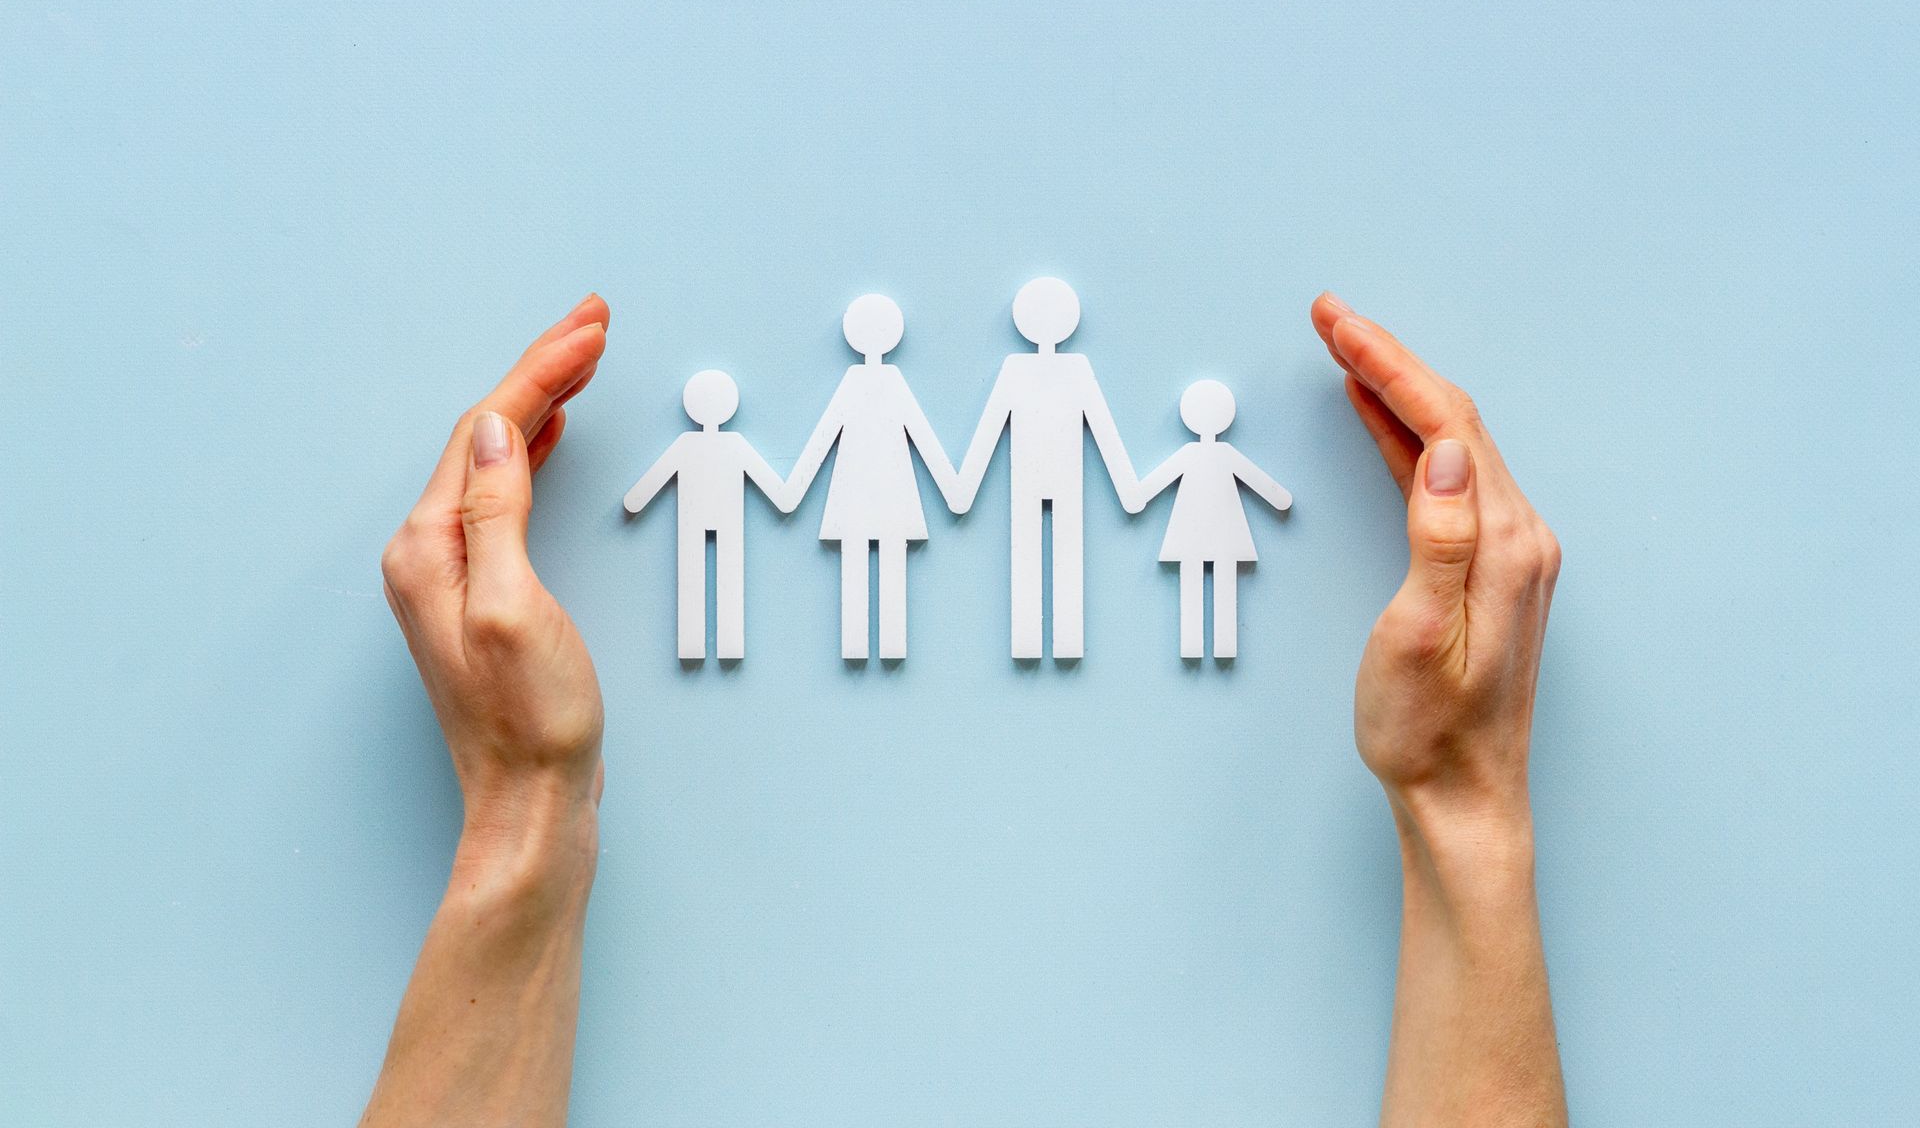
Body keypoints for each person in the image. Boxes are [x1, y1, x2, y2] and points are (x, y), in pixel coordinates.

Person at [363, 290, 1567, 1127]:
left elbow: (1021, 445)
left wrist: (527, 798)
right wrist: (1460, 792)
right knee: (913, 581)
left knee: (1004, 580)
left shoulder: (1039, 385)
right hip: (887, 508)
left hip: (921, 510)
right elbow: (965, 445)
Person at [951, 276, 1137, 660]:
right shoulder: (1040, 370)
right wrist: (1128, 490)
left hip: (1047, 478)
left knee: (1042, 554)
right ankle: (1043, 641)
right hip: (1039, 477)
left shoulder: (1044, 370)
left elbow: (1100, 426)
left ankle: (1047, 640)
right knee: (1047, 553)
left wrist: (963, 489)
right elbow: (993, 426)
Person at [784, 293, 961, 660]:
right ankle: (877, 645)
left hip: (863, 496)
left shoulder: (867, 383)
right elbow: (919, 436)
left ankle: (866, 645)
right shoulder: (881, 383)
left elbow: (824, 439)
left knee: (863, 561)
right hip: (885, 496)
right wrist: (953, 488)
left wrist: (792, 490)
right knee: (880, 560)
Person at [621, 368, 790, 660]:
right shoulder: (734, 445)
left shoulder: (688, 445)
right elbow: (778, 493)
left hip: (695, 522)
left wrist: (635, 500)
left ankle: (696, 645)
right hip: (725, 522)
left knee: (694, 579)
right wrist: (791, 493)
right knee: (728, 580)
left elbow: (638, 496)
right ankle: (727, 646)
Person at [1127, 379, 1292, 660]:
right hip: (1222, 534)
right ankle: (1215, 646)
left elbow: (1146, 490)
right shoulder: (1222, 454)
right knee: (1218, 582)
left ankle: (1197, 646)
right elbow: (1272, 492)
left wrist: (1135, 495)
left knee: (1195, 582)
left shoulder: (1192, 454)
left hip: (1193, 534)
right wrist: (1280, 499)